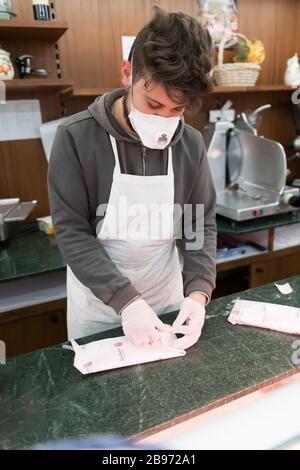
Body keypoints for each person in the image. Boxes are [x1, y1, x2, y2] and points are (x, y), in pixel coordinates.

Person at [48, 6, 217, 350]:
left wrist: (198, 292)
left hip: (166, 299)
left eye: (177, 110)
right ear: (127, 72)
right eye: (154, 105)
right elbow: (72, 231)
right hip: (99, 307)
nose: (165, 121)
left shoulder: (190, 144)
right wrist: (127, 301)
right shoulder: (75, 137)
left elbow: (198, 223)